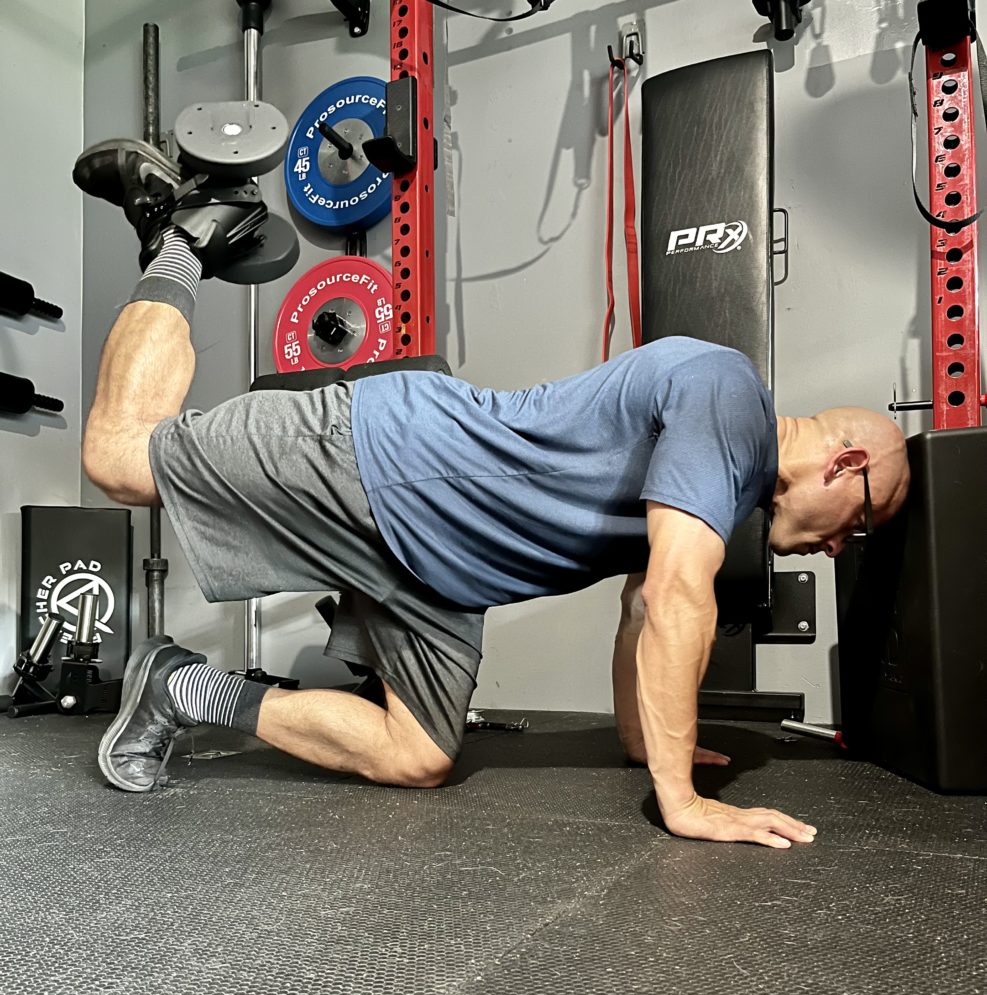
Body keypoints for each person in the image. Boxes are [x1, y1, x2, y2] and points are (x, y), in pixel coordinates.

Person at [74, 140, 910, 849]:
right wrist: (682, 804)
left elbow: (635, 604)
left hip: (443, 572)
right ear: (842, 467)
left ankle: (178, 688)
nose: (839, 546)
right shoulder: (730, 397)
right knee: (120, 461)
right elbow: (672, 596)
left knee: (418, 756)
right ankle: (186, 235)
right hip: (389, 460)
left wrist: (642, 743)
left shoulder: (725, 475)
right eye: (860, 523)